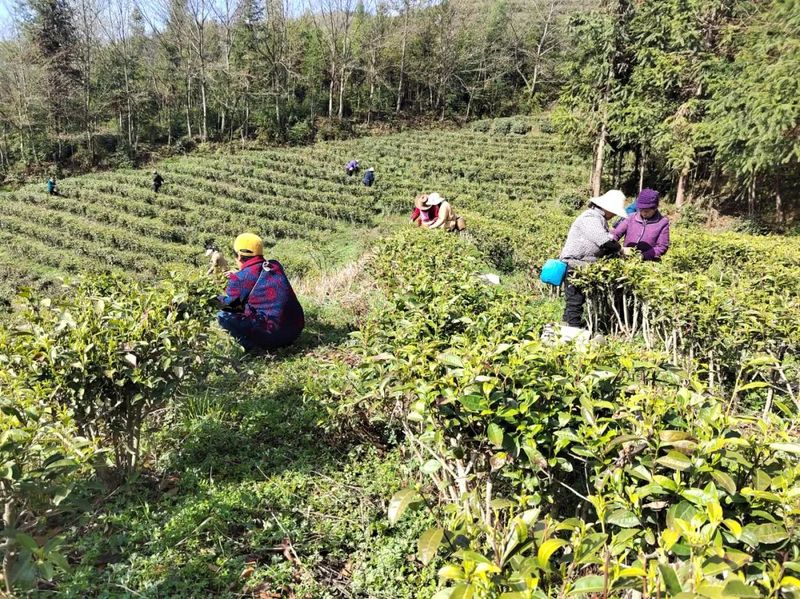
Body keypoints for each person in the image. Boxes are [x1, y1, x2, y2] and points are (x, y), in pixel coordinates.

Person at [217, 233, 305, 353]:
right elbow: (256, 273)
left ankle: (252, 347)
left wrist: (215, 298)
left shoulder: (239, 279)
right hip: (294, 332)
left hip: (272, 336)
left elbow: (232, 305)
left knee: (223, 314)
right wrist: (239, 273)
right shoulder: (275, 265)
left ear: (238, 255)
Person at [559, 190, 627, 328]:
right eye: (614, 212)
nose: (614, 215)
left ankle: (567, 326)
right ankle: (572, 330)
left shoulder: (598, 219)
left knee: (576, 300)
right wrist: (620, 249)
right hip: (575, 263)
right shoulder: (590, 217)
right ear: (607, 208)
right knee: (575, 300)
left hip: (582, 264)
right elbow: (603, 241)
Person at [613, 188, 670, 260]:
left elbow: (662, 246)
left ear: (655, 208)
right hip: (625, 257)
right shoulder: (631, 217)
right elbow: (616, 233)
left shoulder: (662, 223)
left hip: (648, 261)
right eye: (641, 210)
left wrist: (643, 256)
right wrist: (613, 245)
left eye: (646, 211)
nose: (643, 213)